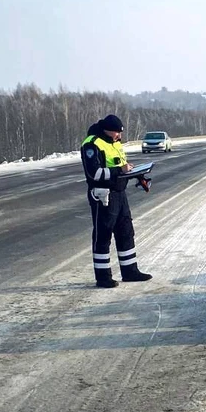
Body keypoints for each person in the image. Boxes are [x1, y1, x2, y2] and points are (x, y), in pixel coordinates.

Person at [80, 114, 152, 288]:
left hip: (120, 194)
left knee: (126, 232)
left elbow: (120, 164)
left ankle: (130, 271)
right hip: (103, 195)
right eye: (117, 133)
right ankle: (103, 277)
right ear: (107, 130)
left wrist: (136, 174)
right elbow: (94, 174)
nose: (119, 136)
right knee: (103, 236)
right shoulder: (91, 144)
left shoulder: (114, 143)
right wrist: (119, 170)